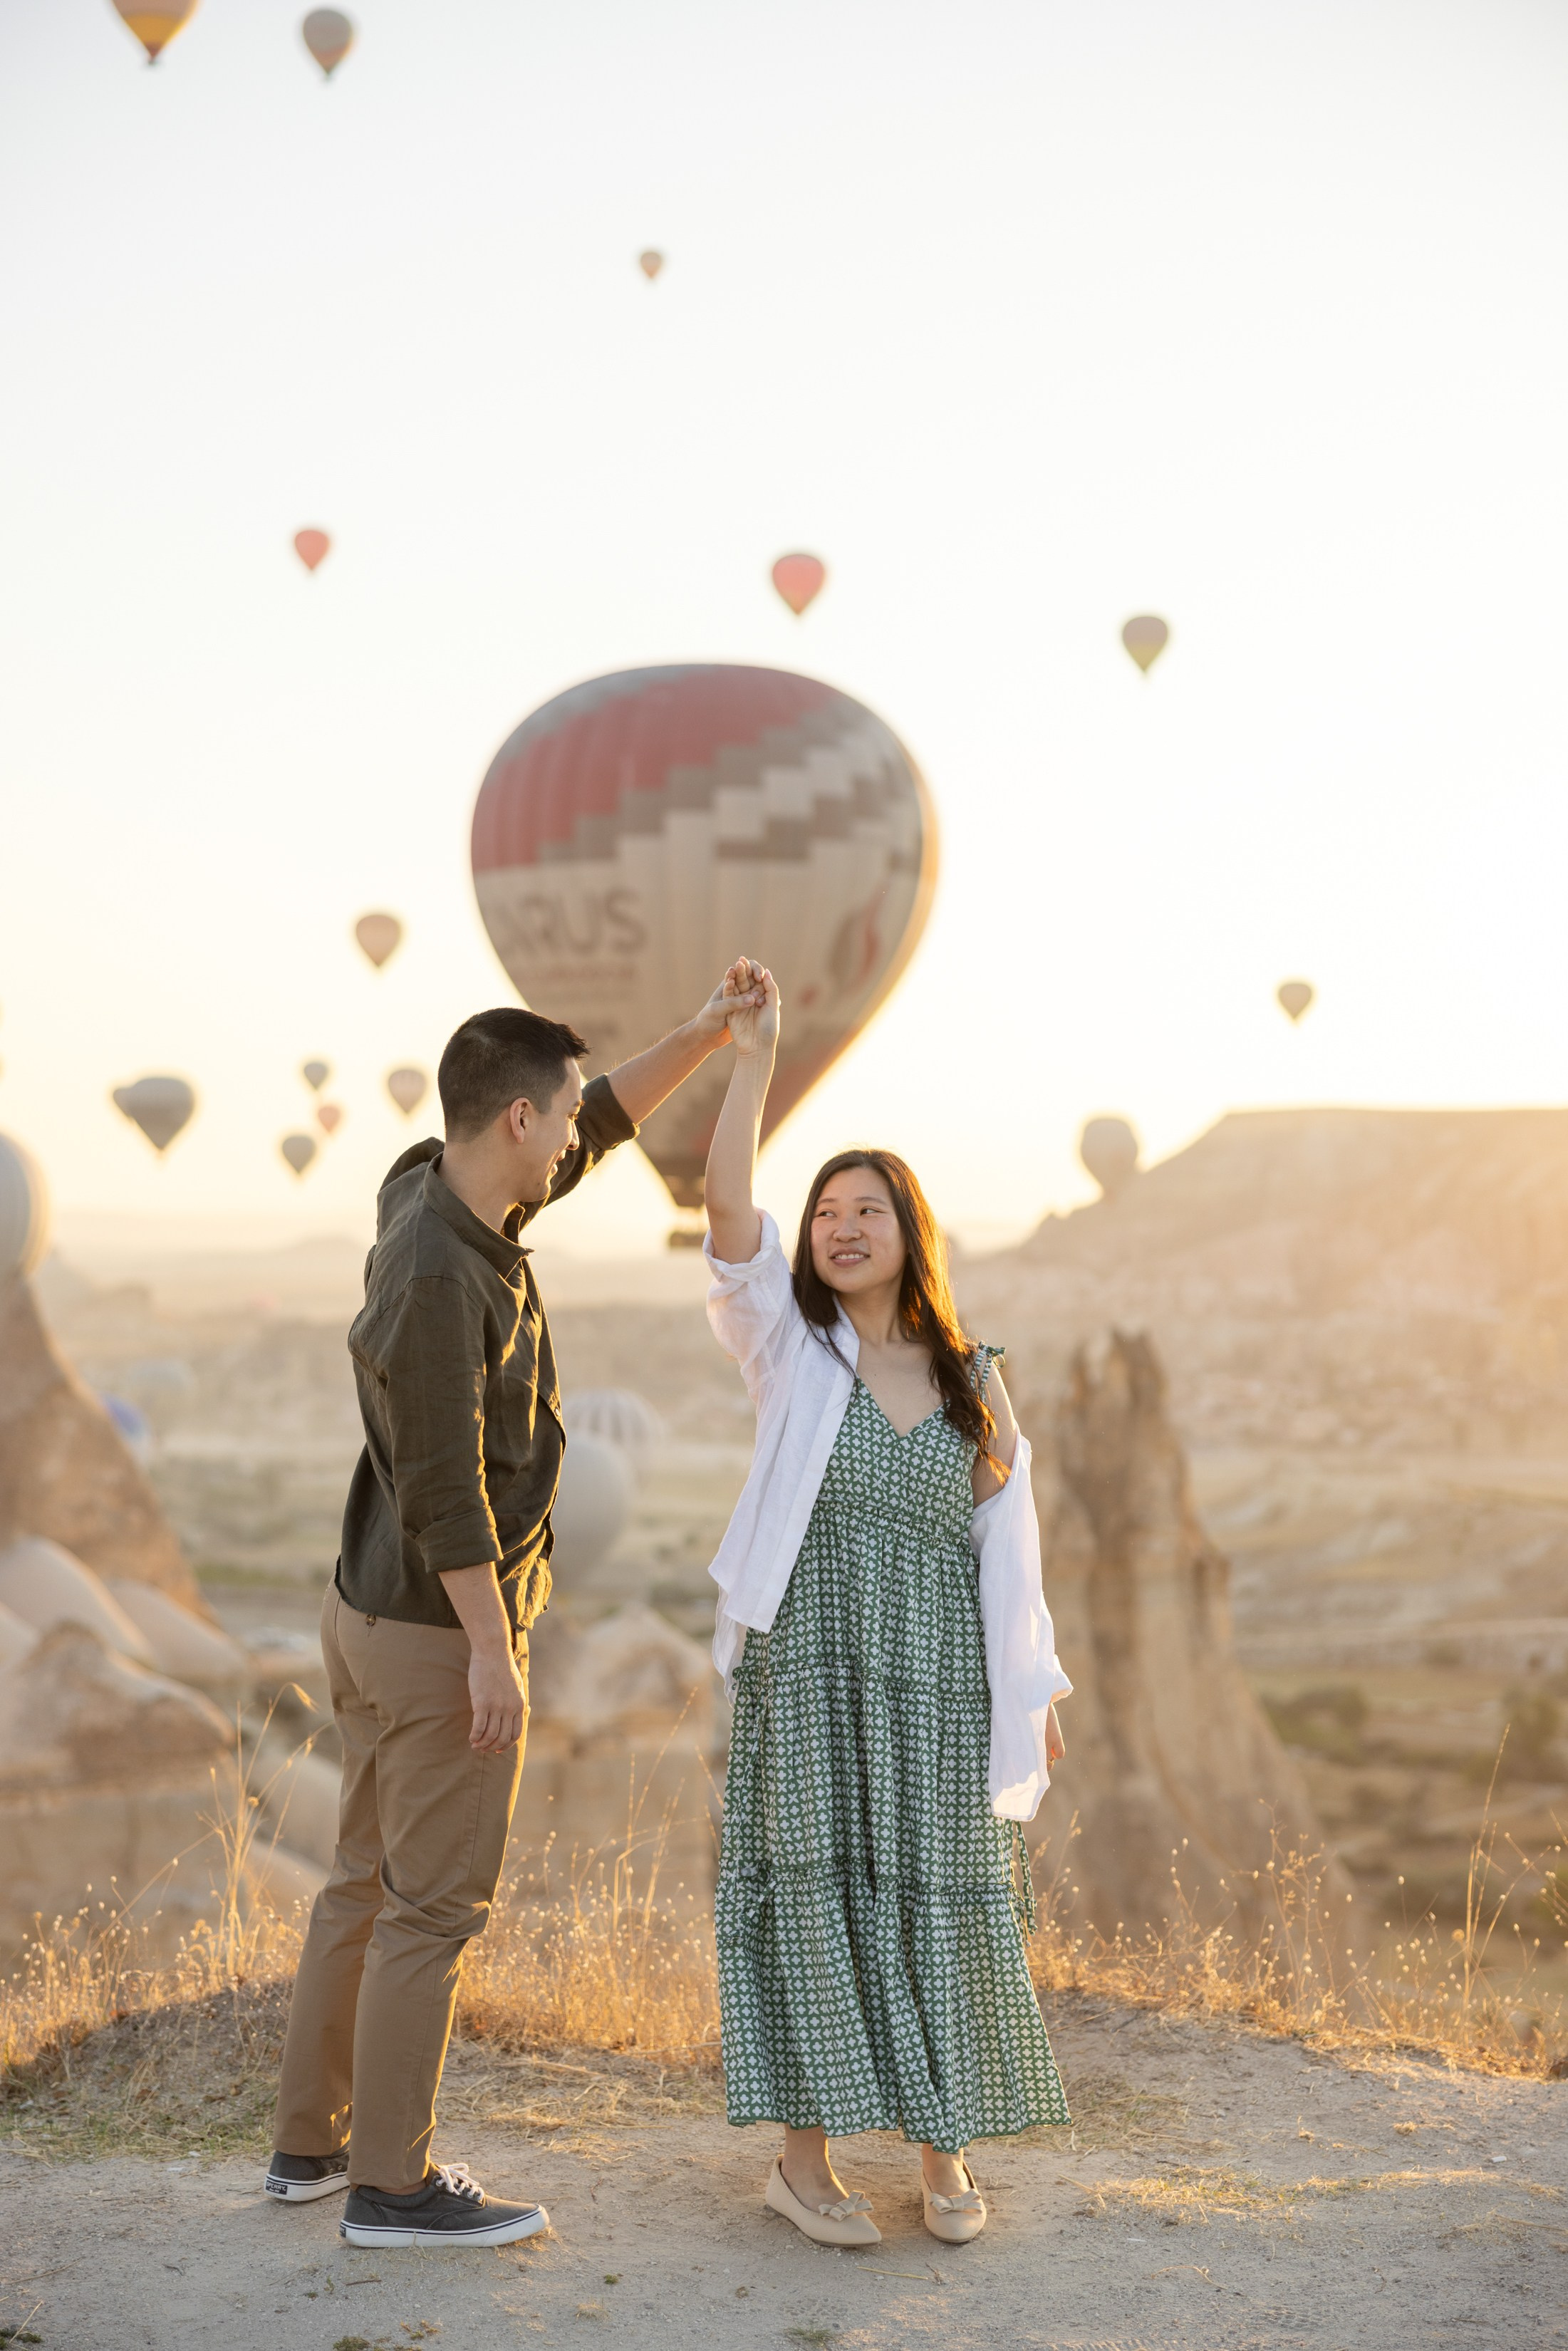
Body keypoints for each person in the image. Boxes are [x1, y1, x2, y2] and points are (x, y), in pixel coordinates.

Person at [265, 970, 765, 2251]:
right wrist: (495, 1652)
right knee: (433, 1909)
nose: (571, 1139)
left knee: (360, 1885)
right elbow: (442, 1490)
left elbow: (596, 1118)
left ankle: (309, 2151)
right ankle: (391, 2189)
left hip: (365, 1610)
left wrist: (701, 1034)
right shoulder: (444, 1274)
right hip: (438, 1631)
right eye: (555, 1122)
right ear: (513, 1127)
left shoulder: (428, 1183)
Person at [702, 961, 1071, 2250]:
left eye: (867, 1210)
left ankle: (942, 2151)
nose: (841, 1229)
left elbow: (1006, 1547)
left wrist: (1030, 1696)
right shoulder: (789, 1351)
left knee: (939, 1888)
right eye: (826, 1215)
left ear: (912, 1230)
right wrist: (756, 1056)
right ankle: (801, 2168)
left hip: (934, 1679)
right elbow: (726, 1208)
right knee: (816, 1888)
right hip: (810, 1667)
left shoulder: (975, 1378)